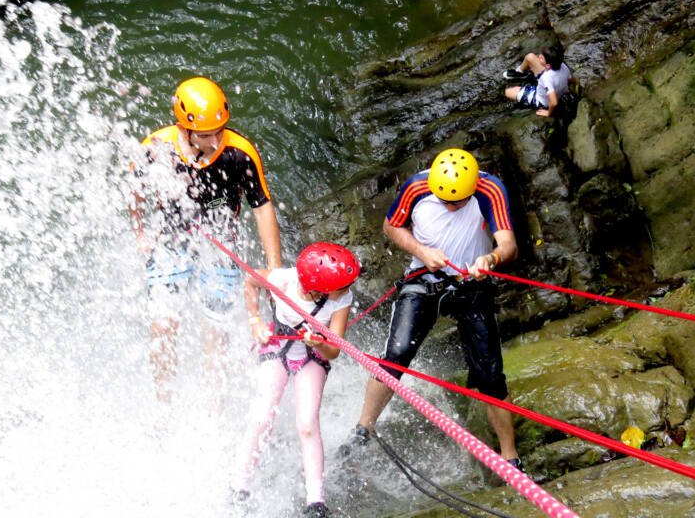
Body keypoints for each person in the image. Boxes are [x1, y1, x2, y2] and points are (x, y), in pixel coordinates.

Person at [343, 148, 524, 471]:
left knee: (491, 376)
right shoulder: (416, 188)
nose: (449, 205)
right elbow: (392, 227)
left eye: (456, 202)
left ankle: (510, 457)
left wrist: (490, 259)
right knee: (396, 355)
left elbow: (508, 244)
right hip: (423, 278)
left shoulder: (490, 189)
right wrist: (422, 251)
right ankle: (364, 427)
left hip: (472, 282)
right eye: (444, 200)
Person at [128, 76, 282, 402]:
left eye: (219, 132)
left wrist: (275, 268)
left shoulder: (239, 153)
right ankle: (164, 403)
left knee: (216, 330)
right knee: (163, 326)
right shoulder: (155, 149)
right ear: (184, 128)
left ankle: (212, 406)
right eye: (205, 135)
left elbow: (263, 207)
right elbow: (135, 193)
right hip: (170, 242)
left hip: (220, 245)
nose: (214, 141)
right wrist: (141, 233)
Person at [231, 242, 360, 518]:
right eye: (344, 285)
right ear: (318, 287)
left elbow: (334, 350)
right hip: (277, 346)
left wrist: (318, 344)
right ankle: (239, 486)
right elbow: (250, 281)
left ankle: (315, 501)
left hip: (313, 356)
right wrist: (254, 320)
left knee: (307, 424)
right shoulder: (283, 280)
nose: (349, 289)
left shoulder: (341, 299)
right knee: (261, 417)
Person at [503, 45, 578, 119]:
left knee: (508, 92)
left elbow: (554, 102)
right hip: (549, 78)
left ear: (548, 65)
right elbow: (572, 80)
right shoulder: (563, 66)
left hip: (541, 99)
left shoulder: (547, 78)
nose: (539, 57)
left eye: (541, 58)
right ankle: (519, 73)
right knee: (530, 57)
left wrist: (548, 113)